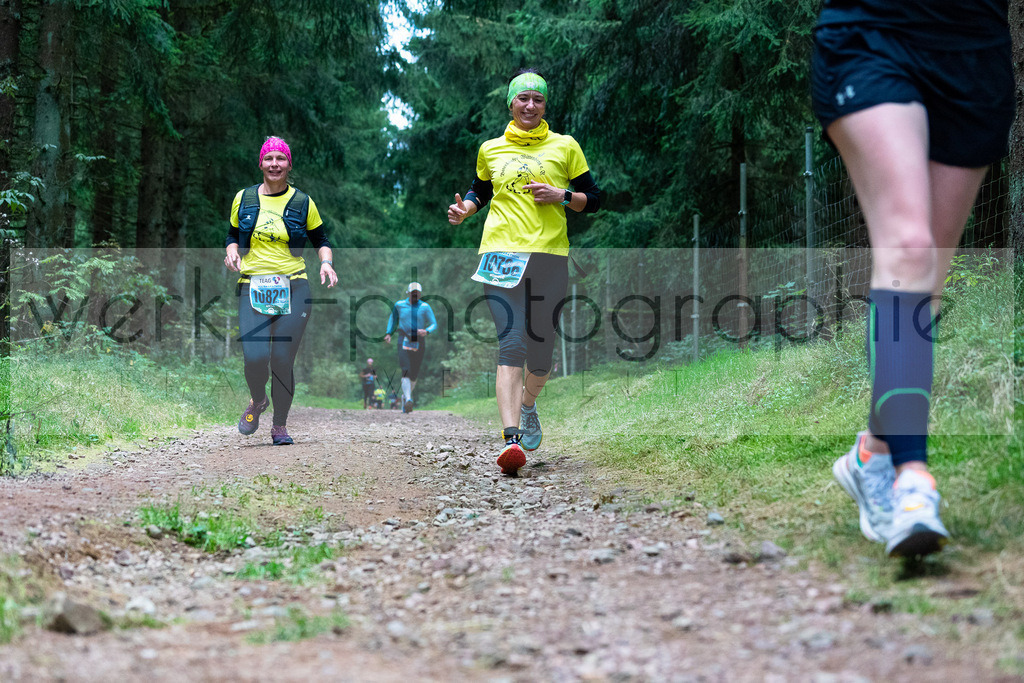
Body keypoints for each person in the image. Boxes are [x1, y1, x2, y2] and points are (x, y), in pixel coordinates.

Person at [811, 0, 1014, 556]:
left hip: (973, 47)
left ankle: (872, 455)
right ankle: (912, 483)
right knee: (909, 247)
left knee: (925, 283)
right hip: (872, 30)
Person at [447, 68, 600, 476]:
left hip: (549, 258)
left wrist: (562, 195)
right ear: (511, 104)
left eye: (538, 99)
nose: (530, 105)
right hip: (500, 257)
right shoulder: (490, 148)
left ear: (545, 105)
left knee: (542, 353)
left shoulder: (565, 146)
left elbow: (594, 198)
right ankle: (511, 440)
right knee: (511, 342)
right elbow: (481, 190)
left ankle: (529, 405)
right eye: (523, 98)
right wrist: (466, 209)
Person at [224, 136, 338, 445]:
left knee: (282, 359)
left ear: (289, 165)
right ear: (260, 163)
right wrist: (231, 251)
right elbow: (232, 234)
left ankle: (280, 425)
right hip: (252, 286)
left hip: (295, 286)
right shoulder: (244, 198)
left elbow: (321, 240)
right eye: (269, 158)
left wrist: (326, 263)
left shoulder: (303, 202)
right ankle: (259, 399)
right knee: (255, 357)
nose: (274, 164)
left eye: (281, 158)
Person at [384, 282, 437, 413]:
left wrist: (427, 331)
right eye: (413, 292)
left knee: (414, 373)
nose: (415, 295)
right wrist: (389, 333)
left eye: (417, 293)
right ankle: (408, 399)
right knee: (405, 369)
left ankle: (406, 396)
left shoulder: (425, 307)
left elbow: (434, 323)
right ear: (408, 293)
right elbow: (393, 319)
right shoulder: (399, 305)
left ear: (420, 294)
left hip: (419, 340)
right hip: (404, 338)